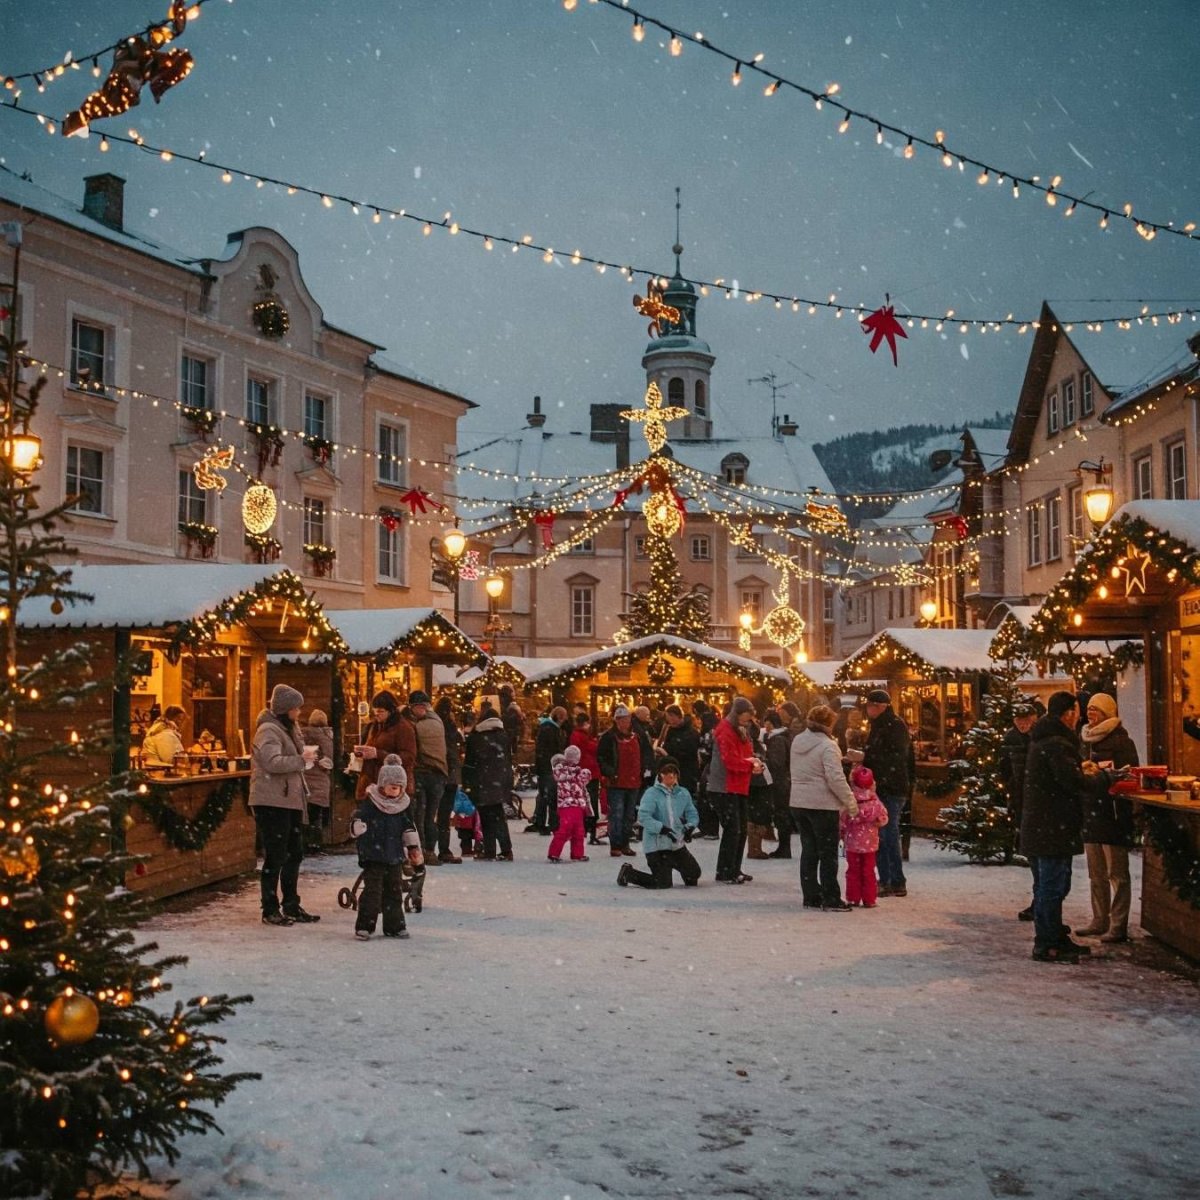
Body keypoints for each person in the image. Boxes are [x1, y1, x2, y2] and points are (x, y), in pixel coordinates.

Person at [1022, 690, 1112, 964]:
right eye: (1077, 710)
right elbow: (1070, 781)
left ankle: (1052, 936)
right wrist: (1104, 777)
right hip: (1052, 827)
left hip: (1043, 825)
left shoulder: (1046, 739)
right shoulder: (1056, 742)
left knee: (1051, 885)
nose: (1081, 716)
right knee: (1052, 886)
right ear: (1069, 713)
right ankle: (1048, 943)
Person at [250, 684, 319, 926]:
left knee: (294, 853)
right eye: (296, 708)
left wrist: (304, 758)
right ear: (285, 709)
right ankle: (270, 908)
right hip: (272, 801)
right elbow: (272, 762)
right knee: (277, 855)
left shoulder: (287, 729)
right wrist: (300, 760)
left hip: (288, 800)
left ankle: (290, 903)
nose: (299, 712)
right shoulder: (268, 730)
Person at [1076, 692, 1139, 943]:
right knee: (1096, 872)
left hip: (1112, 813)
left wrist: (1105, 775)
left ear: (1108, 713)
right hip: (1091, 811)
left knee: (1117, 874)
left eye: (1097, 710)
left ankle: (1118, 924)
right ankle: (1099, 919)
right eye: (1089, 709)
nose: (1091, 714)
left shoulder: (1122, 742)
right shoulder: (1084, 739)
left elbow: (1129, 775)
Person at [789, 703, 859, 911]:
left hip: (799, 802)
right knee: (828, 852)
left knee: (809, 849)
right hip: (822, 804)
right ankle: (831, 896)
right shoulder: (828, 746)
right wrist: (850, 801)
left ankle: (811, 894)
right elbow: (835, 778)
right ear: (829, 724)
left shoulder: (797, 741)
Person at [348, 754, 423, 940]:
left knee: (394, 891)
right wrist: (356, 827)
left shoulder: (403, 806)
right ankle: (365, 925)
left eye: (398, 787)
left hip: (394, 855)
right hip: (373, 854)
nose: (394, 790)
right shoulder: (371, 803)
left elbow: (408, 827)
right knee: (372, 892)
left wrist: (413, 847)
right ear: (382, 785)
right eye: (391, 786)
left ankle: (394, 926)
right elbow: (358, 818)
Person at [862, 689, 915, 898]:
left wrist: (867, 756)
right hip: (884, 785)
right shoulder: (882, 725)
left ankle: (893, 880)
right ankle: (887, 879)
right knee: (882, 833)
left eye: (872, 706)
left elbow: (894, 757)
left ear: (882, 706)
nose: (868, 710)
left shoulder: (893, 726)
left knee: (886, 833)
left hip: (891, 786)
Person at [617, 759, 701, 889]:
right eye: (666, 772)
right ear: (660, 775)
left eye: (674, 772)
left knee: (694, 874)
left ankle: (673, 865)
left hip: (676, 844)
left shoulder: (683, 793)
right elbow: (643, 817)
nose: (670, 776)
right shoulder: (651, 793)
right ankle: (629, 874)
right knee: (662, 883)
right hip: (656, 846)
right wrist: (661, 828)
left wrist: (689, 827)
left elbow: (692, 813)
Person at [708, 696, 765, 884]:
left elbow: (743, 755)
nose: (748, 720)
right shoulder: (725, 731)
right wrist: (749, 765)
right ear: (738, 714)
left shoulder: (741, 730)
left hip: (738, 784)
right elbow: (729, 761)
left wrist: (754, 761)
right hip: (725, 786)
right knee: (733, 829)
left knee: (740, 830)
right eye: (746, 716)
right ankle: (725, 870)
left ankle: (733, 868)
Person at [597, 705, 654, 858]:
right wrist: (610, 773)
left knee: (629, 815)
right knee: (616, 814)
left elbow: (646, 754)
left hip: (634, 781)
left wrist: (645, 770)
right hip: (616, 783)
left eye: (627, 719)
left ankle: (625, 843)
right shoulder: (608, 737)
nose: (625, 722)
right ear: (616, 721)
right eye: (621, 719)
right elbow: (601, 758)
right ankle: (615, 844)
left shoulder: (638, 736)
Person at [405, 690, 454, 864]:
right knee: (431, 815)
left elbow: (412, 740)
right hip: (439, 774)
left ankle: (423, 850)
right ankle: (430, 851)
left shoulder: (418, 725)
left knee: (420, 814)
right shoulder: (437, 721)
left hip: (423, 773)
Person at [1000, 702, 1038, 920]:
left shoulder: (1039, 739)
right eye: (1019, 719)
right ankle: (1039, 902)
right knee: (1034, 856)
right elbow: (1004, 768)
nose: (1023, 724)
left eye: (1026, 719)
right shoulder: (1010, 739)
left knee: (1039, 858)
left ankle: (1040, 903)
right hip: (1021, 800)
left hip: (1035, 801)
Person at [463, 702, 514, 861]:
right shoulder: (504, 736)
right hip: (500, 781)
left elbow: (469, 763)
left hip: (482, 781)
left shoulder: (476, 737)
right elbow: (508, 760)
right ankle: (506, 849)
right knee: (498, 815)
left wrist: (467, 782)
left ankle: (490, 849)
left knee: (485, 816)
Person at [354, 691, 416, 803]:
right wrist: (363, 752)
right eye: (375, 711)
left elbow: (409, 757)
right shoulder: (374, 726)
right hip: (371, 785)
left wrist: (378, 754)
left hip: (391, 789)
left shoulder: (403, 728)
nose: (376, 714)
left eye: (380, 711)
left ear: (391, 711)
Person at [842, 765, 889, 908]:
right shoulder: (875, 802)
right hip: (870, 844)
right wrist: (876, 822)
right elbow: (883, 818)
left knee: (853, 870)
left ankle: (853, 897)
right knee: (868, 871)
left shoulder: (850, 801)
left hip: (853, 843)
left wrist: (842, 832)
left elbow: (842, 820)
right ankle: (869, 898)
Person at [528, 706, 568, 835]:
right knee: (550, 797)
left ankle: (543, 822)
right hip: (548, 768)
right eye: (563, 716)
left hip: (546, 767)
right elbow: (550, 750)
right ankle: (552, 824)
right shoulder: (551, 730)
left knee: (545, 796)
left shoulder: (547, 728)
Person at [548, 745, 591, 863]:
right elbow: (559, 776)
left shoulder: (576, 772)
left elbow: (584, 782)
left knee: (579, 831)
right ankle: (554, 853)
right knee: (565, 829)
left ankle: (577, 854)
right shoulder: (562, 771)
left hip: (576, 805)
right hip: (567, 805)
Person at [300, 708, 335, 852]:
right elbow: (328, 761)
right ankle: (315, 843)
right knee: (316, 815)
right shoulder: (325, 737)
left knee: (306, 814)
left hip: (304, 779)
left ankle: (305, 842)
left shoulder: (301, 735)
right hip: (320, 781)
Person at [436, 695, 465, 862]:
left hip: (437, 773)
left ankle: (427, 848)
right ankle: (444, 849)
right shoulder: (452, 728)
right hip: (449, 775)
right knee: (444, 815)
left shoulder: (433, 726)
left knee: (428, 814)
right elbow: (456, 751)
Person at [762, 709, 795, 859]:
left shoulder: (777, 740)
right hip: (784, 781)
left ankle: (784, 847)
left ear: (770, 723)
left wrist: (762, 760)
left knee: (782, 814)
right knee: (783, 814)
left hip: (780, 782)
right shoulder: (782, 737)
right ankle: (784, 846)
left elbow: (777, 763)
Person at [568, 712, 604, 844]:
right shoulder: (582, 737)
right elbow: (592, 749)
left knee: (585, 802)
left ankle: (584, 829)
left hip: (584, 773)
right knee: (591, 802)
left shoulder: (577, 736)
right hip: (589, 773)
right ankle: (589, 830)